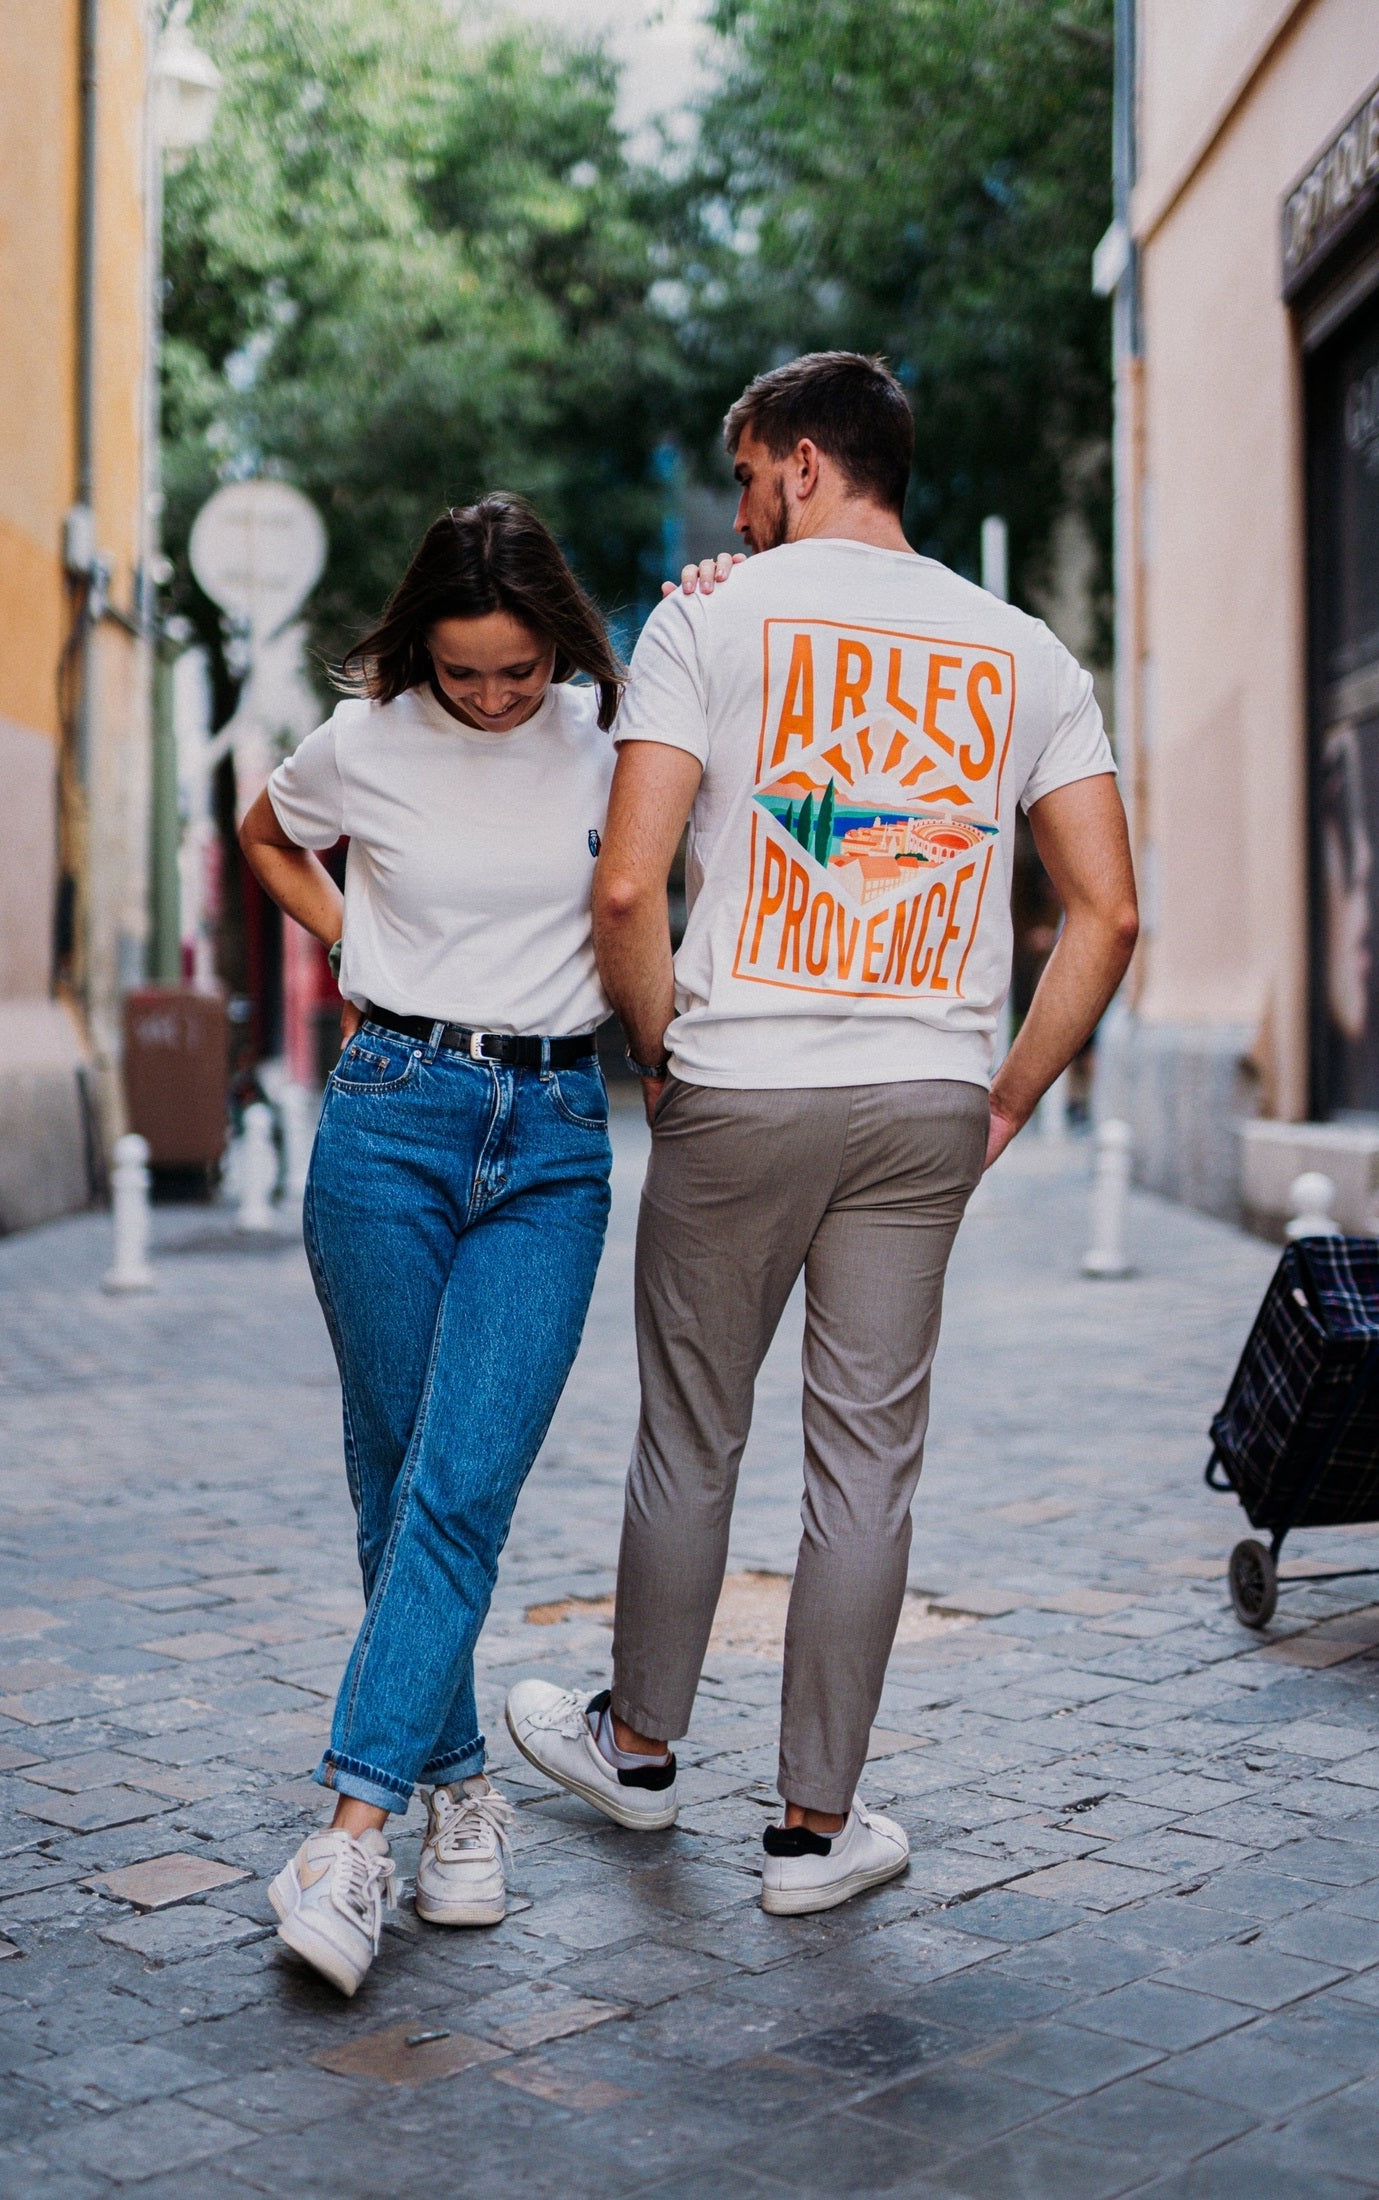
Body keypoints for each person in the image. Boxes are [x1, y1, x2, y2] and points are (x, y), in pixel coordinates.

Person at [508, 351, 1139, 1916]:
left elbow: (623, 887)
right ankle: (811, 1835)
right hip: (928, 1092)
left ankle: (639, 1748)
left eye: (744, 479)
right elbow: (1110, 916)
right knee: (864, 1467)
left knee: (691, 1432)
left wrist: (664, 1055)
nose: (735, 513)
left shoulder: (707, 621)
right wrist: (1002, 1096)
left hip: (740, 1074)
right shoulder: (1025, 651)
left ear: (797, 465)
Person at [239, 494, 626, 1996]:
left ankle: (349, 1832)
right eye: (464, 672)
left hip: (553, 1137)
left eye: (517, 669)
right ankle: (458, 1792)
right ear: (423, 650)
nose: (492, 696)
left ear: (556, 639)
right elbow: (268, 832)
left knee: (461, 1478)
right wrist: (350, 937)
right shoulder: (367, 739)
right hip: (389, 1116)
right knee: (397, 1473)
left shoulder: (613, 727)